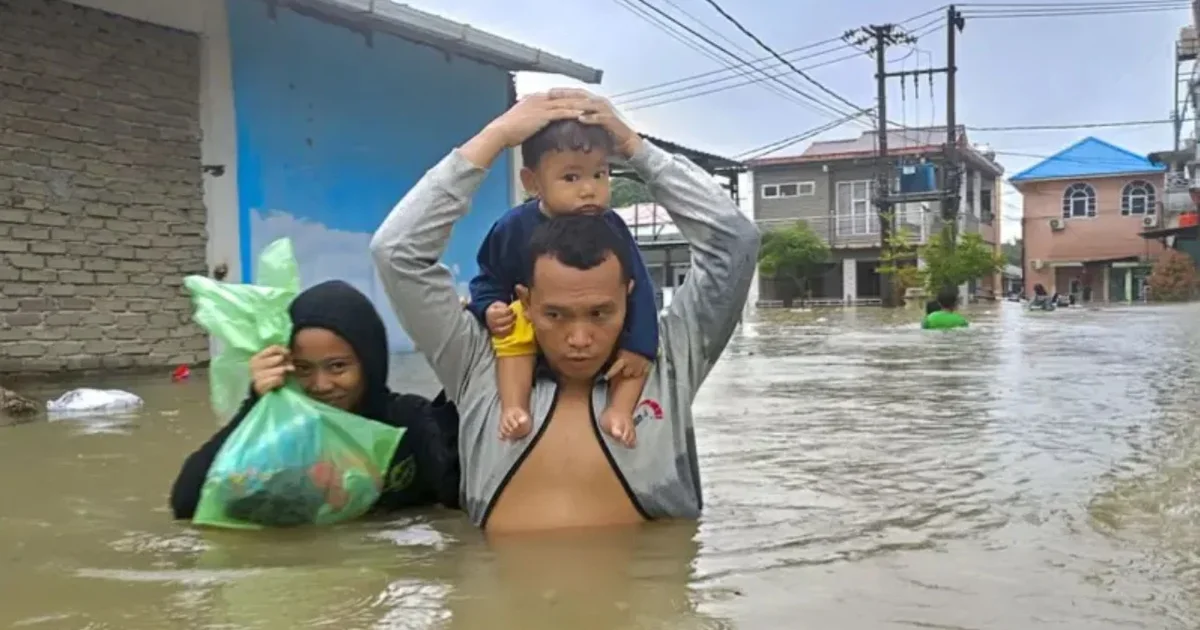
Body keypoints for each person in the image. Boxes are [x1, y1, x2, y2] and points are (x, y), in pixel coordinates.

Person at [369, 89, 760, 533]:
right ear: (526, 302)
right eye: (555, 315)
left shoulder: (664, 363)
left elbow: (736, 243)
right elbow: (396, 252)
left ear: (630, 295)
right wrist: (496, 137)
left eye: (601, 313)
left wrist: (635, 148)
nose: (579, 339)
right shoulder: (479, 365)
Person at [169, 280, 461, 521]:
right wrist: (255, 404)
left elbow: (463, 491)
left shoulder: (408, 424)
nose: (321, 386)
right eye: (303, 368)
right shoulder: (283, 435)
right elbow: (187, 503)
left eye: (338, 366)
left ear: (370, 364)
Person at [467, 119, 657, 448]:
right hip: (535, 326)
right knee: (514, 333)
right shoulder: (513, 226)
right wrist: (489, 307)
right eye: (571, 177)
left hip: (602, 335)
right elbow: (489, 276)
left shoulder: (612, 227)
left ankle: (619, 411)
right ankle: (515, 408)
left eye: (600, 174)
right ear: (532, 182)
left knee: (636, 360)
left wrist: (640, 346)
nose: (589, 189)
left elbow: (639, 288)